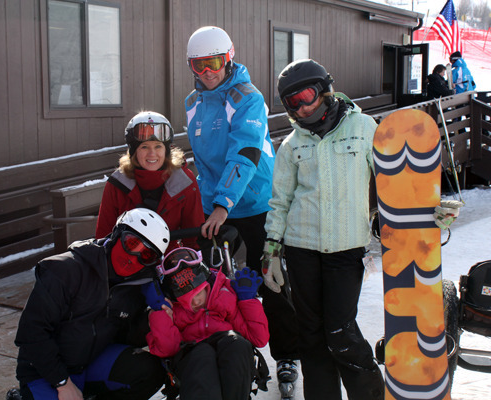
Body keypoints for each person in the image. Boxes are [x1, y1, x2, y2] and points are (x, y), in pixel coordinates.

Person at [184, 25, 300, 397]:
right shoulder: (193, 104)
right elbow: (203, 163)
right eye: (198, 65)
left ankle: (286, 355)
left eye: (214, 62)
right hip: (217, 209)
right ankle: (234, 350)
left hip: (253, 205)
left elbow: (245, 152)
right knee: (219, 286)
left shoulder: (247, 97)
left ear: (229, 56)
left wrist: (222, 204)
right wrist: (209, 207)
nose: (207, 72)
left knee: (269, 280)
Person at [264, 59, 385, 400]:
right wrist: (272, 249)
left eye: (306, 95)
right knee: (312, 336)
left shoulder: (363, 127)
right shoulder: (291, 146)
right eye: (292, 102)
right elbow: (281, 202)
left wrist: (424, 210)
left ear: (325, 90)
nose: (302, 107)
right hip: (301, 249)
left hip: (346, 250)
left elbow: (393, 179)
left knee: (340, 331)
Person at [13, 208, 170, 400]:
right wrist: (62, 382)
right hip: (44, 372)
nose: (134, 257)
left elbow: (125, 337)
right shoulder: (65, 270)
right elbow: (31, 333)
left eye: (147, 256)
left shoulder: (137, 284)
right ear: (116, 234)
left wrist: (153, 319)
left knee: (149, 371)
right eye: (132, 243)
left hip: (91, 361)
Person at [145, 247, 269, 399]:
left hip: (228, 343)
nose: (195, 301)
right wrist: (160, 312)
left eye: (198, 293)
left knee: (237, 345)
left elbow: (259, 338)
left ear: (207, 284)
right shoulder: (176, 311)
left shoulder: (225, 298)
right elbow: (168, 348)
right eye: (187, 299)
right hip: (193, 353)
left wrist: (247, 301)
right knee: (202, 354)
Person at [96, 111, 204, 251]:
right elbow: (104, 235)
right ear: (134, 151)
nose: (152, 153)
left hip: (169, 261)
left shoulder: (184, 182)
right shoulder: (117, 183)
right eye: (144, 147)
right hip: (128, 260)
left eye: (158, 146)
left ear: (167, 150)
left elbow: (194, 237)